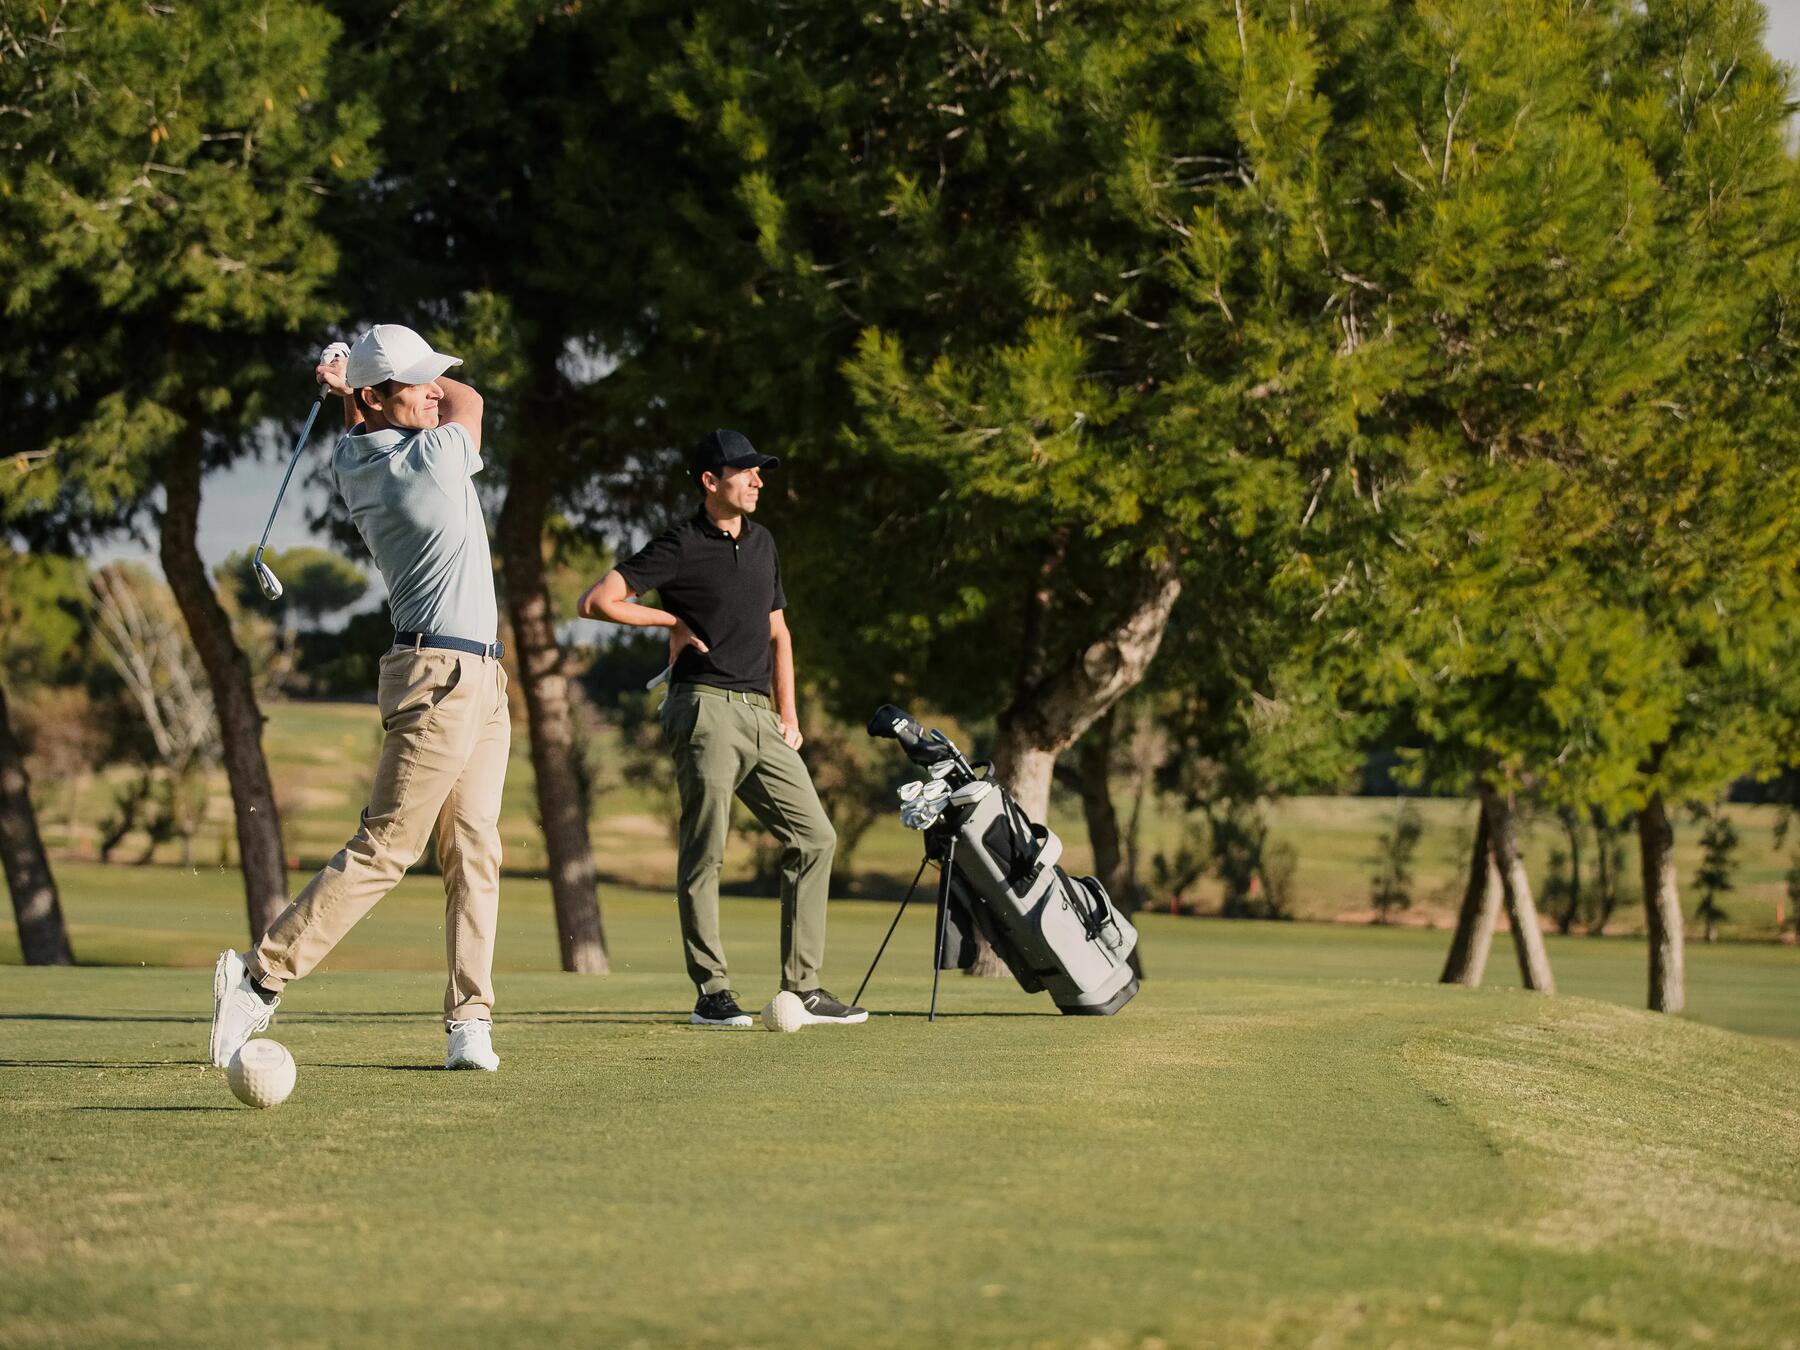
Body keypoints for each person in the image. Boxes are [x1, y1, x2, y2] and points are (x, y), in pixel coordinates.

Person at [209, 324, 511, 1072]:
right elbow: (471, 399)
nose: (436, 389)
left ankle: (469, 1018)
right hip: (440, 676)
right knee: (387, 847)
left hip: (478, 679)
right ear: (379, 397)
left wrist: (349, 390)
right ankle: (258, 977)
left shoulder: (354, 457)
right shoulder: (436, 459)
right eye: (418, 383)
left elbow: (374, 422)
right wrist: (354, 384)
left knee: (475, 849)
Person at [580, 430, 863, 1028]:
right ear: (711, 481)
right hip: (704, 708)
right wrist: (670, 620)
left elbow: (780, 634)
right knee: (706, 852)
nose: (759, 480)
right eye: (746, 471)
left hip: (762, 716)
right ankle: (712, 993)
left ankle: (803, 989)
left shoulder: (763, 543)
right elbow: (598, 601)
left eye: (761, 471)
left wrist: (788, 714)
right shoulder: (680, 544)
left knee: (816, 838)